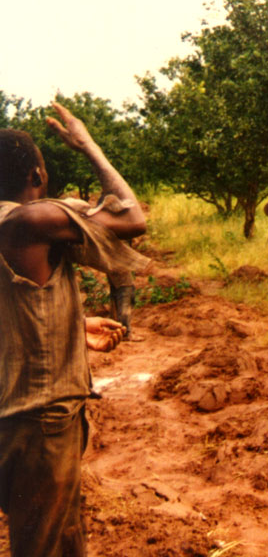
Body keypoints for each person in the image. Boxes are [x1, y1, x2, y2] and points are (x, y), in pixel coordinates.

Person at [0, 102, 148, 556]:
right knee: (43, 546)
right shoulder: (31, 221)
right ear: (38, 176)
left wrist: (70, 323)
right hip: (39, 425)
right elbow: (130, 217)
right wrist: (89, 147)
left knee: (64, 539)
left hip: (13, 419)